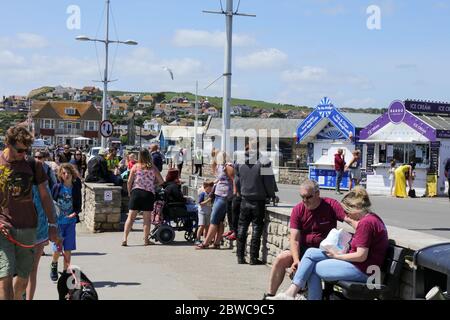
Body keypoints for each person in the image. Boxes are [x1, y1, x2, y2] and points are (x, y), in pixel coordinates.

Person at [267, 187, 389, 300]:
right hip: (365, 267)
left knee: (313, 267)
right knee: (310, 253)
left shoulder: (366, 223)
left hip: (363, 270)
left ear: (355, 208)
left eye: (347, 211)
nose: (346, 215)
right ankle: (291, 293)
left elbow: (361, 256)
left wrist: (337, 256)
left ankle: (293, 294)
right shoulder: (373, 218)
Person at [263, 179, 357, 299]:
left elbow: (348, 219)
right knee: (281, 258)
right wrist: (296, 260)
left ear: (317, 194)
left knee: (312, 262)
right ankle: (270, 296)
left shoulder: (330, 205)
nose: (305, 201)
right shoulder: (298, 210)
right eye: (302, 197)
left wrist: (363, 228)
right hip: (302, 247)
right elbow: (294, 239)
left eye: (308, 197)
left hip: (322, 250)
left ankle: (299, 292)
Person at [0, 126, 59, 300]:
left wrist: (53, 225)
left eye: (27, 150)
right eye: (19, 150)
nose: (23, 154)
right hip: (3, 229)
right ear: (7, 144)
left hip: (28, 230)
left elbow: (45, 197)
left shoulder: (34, 165)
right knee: (5, 279)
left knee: (22, 283)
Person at [235, 140, 277, 265]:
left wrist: (240, 191)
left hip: (244, 199)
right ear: (259, 147)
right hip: (258, 200)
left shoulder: (239, 161)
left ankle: (240, 257)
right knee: (257, 228)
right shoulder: (264, 161)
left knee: (242, 227)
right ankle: (253, 258)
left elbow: (237, 181)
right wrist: (272, 195)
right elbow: (269, 182)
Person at [122, 149, 164, 247]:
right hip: (148, 194)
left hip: (136, 192)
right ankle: (145, 240)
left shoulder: (135, 166)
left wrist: (129, 193)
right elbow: (161, 181)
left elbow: (129, 182)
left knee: (131, 217)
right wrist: (153, 184)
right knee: (147, 219)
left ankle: (124, 239)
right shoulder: (153, 168)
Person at [49, 163, 82, 282]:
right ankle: (54, 265)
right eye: (63, 173)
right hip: (58, 223)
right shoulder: (57, 187)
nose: (66, 175)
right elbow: (51, 204)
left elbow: (78, 204)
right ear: (60, 175)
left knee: (68, 250)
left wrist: (75, 213)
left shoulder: (75, 187)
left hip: (70, 222)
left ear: (72, 174)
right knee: (58, 249)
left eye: (68, 172)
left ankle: (65, 274)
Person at [196, 151, 234, 250]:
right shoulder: (220, 166)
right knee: (220, 221)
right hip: (219, 194)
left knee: (214, 219)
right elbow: (219, 178)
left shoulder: (227, 166)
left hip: (224, 195)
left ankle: (206, 243)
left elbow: (234, 180)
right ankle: (216, 243)